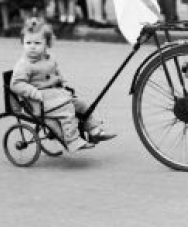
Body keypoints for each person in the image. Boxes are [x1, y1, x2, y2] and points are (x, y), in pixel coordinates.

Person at [9, 18, 113, 154]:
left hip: (54, 95)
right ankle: (72, 141)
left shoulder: (49, 58)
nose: (32, 46)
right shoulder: (24, 64)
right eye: (28, 43)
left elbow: (55, 72)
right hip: (38, 101)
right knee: (67, 109)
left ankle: (94, 130)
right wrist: (33, 92)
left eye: (37, 43)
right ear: (23, 43)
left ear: (47, 43)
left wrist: (60, 80)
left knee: (80, 104)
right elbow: (16, 84)